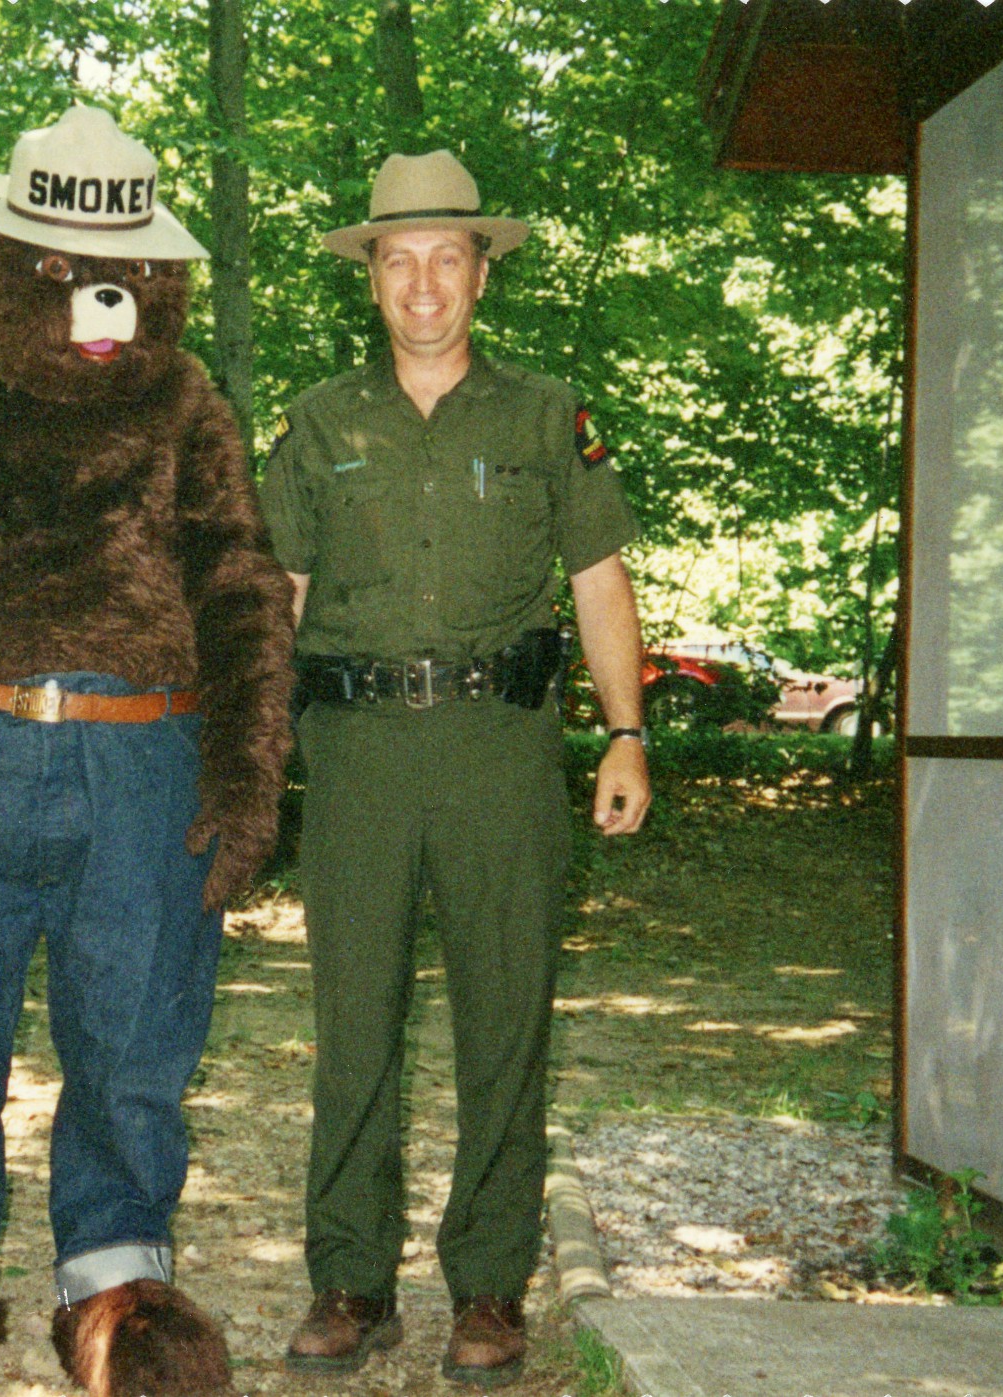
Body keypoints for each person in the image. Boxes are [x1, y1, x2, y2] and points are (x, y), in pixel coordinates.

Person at [258, 149, 651, 1389]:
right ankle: (350, 1278)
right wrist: (248, 750)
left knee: (503, 1013)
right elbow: (277, 595)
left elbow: (598, 579)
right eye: (396, 260)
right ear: (368, 276)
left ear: (482, 270)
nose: (421, 284)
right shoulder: (321, 421)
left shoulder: (546, 414)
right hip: (358, 750)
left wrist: (626, 730)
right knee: (353, 1020)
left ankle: (488, 1283)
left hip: (501, 747)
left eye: (445, 257)